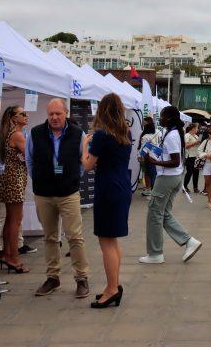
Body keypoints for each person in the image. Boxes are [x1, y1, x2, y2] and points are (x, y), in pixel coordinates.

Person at [26, 99, 90, 298]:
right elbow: (29, 160)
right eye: (51, 114)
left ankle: (82, 278)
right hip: (43, 194)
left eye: (58, 114)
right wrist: (39, 178)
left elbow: (83, 161)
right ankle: (52, 278)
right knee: (50, 237)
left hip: (68, 193)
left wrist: (72, 178)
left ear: (66, 113)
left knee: (75, 237)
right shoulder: (35, 134)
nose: (54, 117)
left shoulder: (77, 134)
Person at [81, 93, 132, 308]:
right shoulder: (125, 133)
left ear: (101, 110)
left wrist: (85, 145)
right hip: (121, 187)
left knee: (106, 242)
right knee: (113, 240)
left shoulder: (102, 136)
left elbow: (88, 165)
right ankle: (114, 285)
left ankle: (111, 289)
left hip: (108, 190)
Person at [139, 106, 202, 264]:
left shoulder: (172, 135)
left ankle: (155, 254)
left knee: (154, 213)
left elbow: (175, 161)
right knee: (163, 213)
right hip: (172, 178)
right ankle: (189, 241)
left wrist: (155, 161)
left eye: (163, 116)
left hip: (167, 178)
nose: (161, 119)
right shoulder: (173, 132)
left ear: (170, 118)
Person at [0, 105, 30, 273]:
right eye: (22, 114)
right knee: (15, 220)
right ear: (13, 118)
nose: (26, 116)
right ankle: (14, 258)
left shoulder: (8, 134)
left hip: (8, 179)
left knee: (10, 219)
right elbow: (30, 156)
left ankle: (7, 253)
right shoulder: (17, 135)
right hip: (15, 180)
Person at [138, 117, 160, 197]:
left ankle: (153, 192)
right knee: (149, 173)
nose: (142, 124)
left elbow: (143, 149)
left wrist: (140, 156)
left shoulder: (145, 136)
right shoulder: (158, 132)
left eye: (144, 122)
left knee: (150, 173)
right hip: (157, 155)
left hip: (148, 157)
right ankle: (149, 190)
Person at [183, 123, 201, 194]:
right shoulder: (187, 135)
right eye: (197, 128)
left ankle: (195, 187)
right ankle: (185, 187)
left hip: (196, 156)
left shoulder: (196, 136)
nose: (197, 129)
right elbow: (186, 146)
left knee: (196, 172)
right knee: (189, 172)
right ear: (193, 128)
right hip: (189, 156)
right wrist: (195, 143)